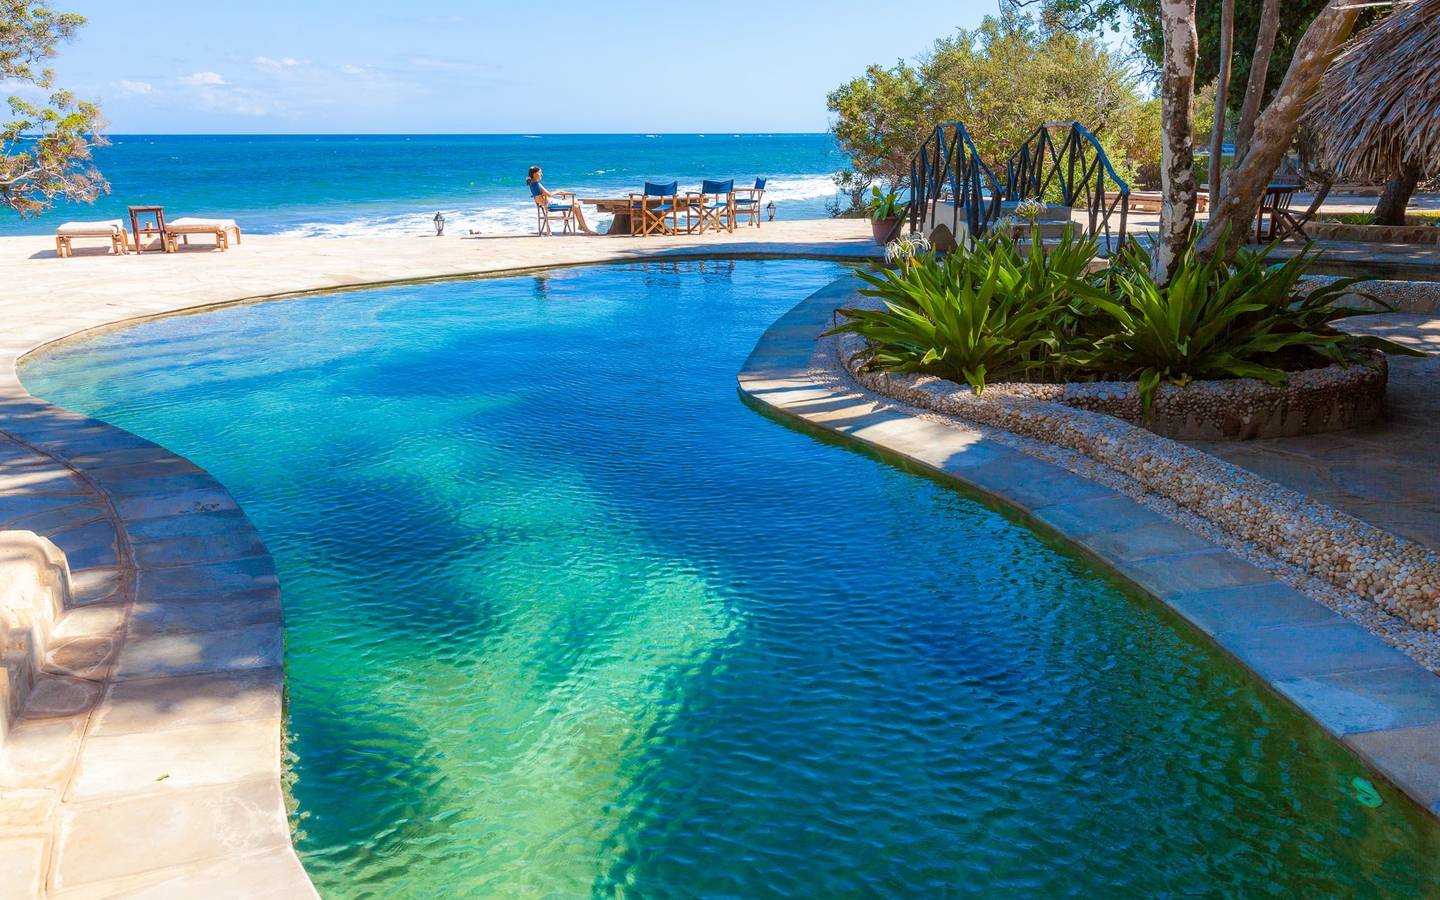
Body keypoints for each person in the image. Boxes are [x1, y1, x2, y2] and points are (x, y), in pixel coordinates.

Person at [526, 165, 594, 234]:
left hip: (547, 204)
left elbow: (541, 196)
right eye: (540, 172)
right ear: (534, 174)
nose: (542, 174)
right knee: (576, 204)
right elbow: (549, 194)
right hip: (551, 204)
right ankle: (585, 229)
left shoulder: (532, 184)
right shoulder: (537, 184)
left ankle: (582, 227)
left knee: (576, 203)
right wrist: (559, 191)